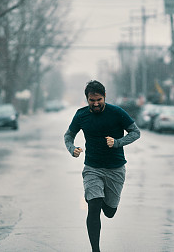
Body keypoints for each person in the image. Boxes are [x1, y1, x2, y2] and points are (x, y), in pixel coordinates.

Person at [64, 80, 140, 252]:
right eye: (92, 100)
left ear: (104, 96)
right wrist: (72, 148)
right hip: (92, 167)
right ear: (87, 99)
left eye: (99, 99)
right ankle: (95, 250)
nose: (96, 103)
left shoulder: (117, 113)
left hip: (115, 168)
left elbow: (136, 132)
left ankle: (100, 197)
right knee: (94, 206)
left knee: (110, 212)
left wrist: (118, 142)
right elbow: (68, 136)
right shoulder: (81, 115)